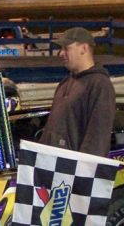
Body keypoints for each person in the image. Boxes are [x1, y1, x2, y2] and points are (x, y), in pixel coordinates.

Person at [38, 27, 116, 157]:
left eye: (66, 48)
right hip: (55, 168)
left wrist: (82, 172)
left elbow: (97, 139)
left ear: (84, 49)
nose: (61, 53)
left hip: (74, 172)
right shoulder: (64, 84)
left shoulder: (100, 85)